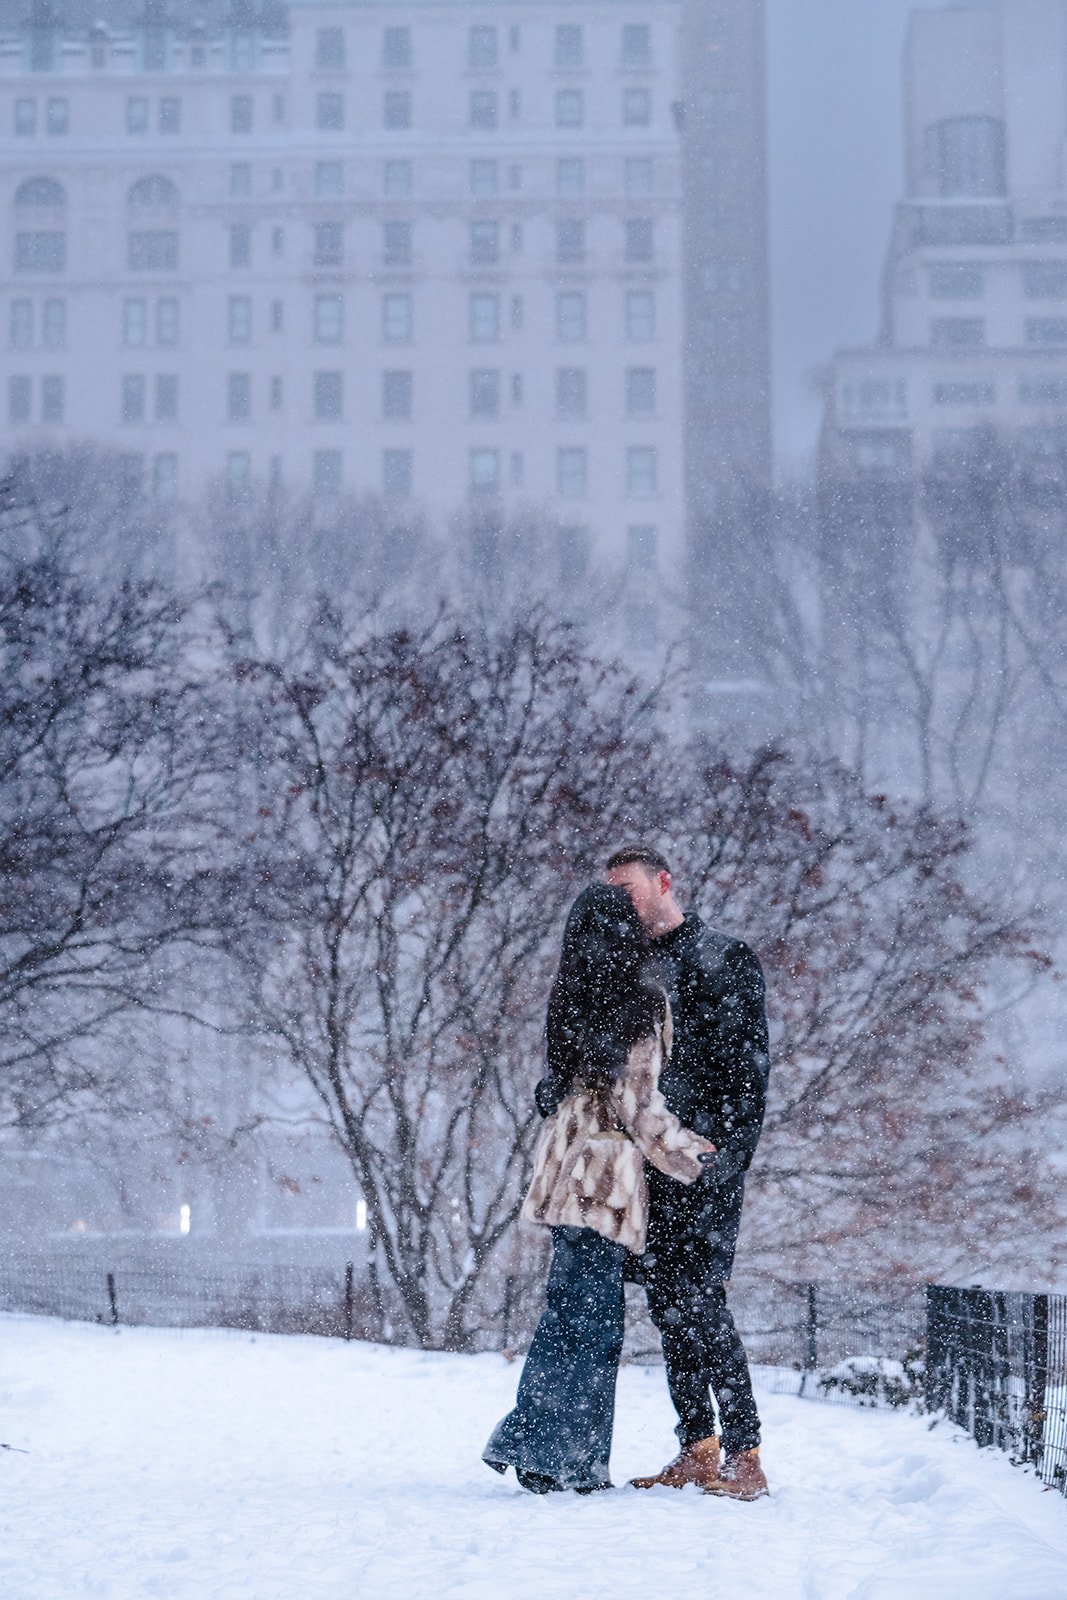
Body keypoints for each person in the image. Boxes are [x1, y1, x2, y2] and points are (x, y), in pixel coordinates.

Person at [482, 882, 716, 1493]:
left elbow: (563, 1089)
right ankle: (559, 1456)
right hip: (603, 1177)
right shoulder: (639, 1004)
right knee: (590, 1324)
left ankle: (549, 1449)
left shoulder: (573, 997)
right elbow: (638, 1107)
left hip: (565, 1170)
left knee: (567, 1317)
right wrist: (693, 1155)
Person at [603, 844, 772, 1500]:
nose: (621, 903)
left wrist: (728, 1159)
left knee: (702, 1302)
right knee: (668, 1308)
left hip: (704, 1160)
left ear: (663, 882)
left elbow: (748, 1072)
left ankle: (745, 1453)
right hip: (645, 1160)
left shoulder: (723, 958)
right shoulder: (629, 969)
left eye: (629, 889)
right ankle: (697, 1448)